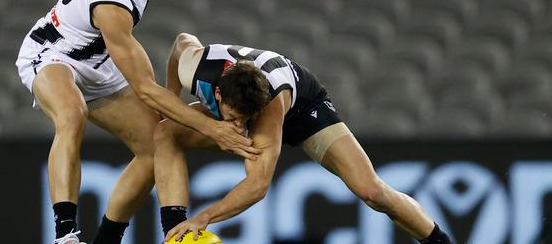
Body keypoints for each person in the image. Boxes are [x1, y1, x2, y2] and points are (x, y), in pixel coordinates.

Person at [15, 0, 264, 244]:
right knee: (72, 114)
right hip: (52, 52)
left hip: (100, 57)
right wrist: (213, 128)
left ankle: (107, 239)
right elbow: (147, 89)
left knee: (157, 146)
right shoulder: (111, 6)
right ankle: (65, 235)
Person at [154, 33, 453, 244]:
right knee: (166, 131)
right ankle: (175, 237)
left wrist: (203, 218)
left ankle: (438, 241)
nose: (239, 125)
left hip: (303, 108)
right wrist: (171, 99)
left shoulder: (267, 106)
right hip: (249, 95)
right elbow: (181, 43)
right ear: (216, 94)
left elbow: (257, 186)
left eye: (245, 119)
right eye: (232, 117)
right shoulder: (196, 68)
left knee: (372, 191)